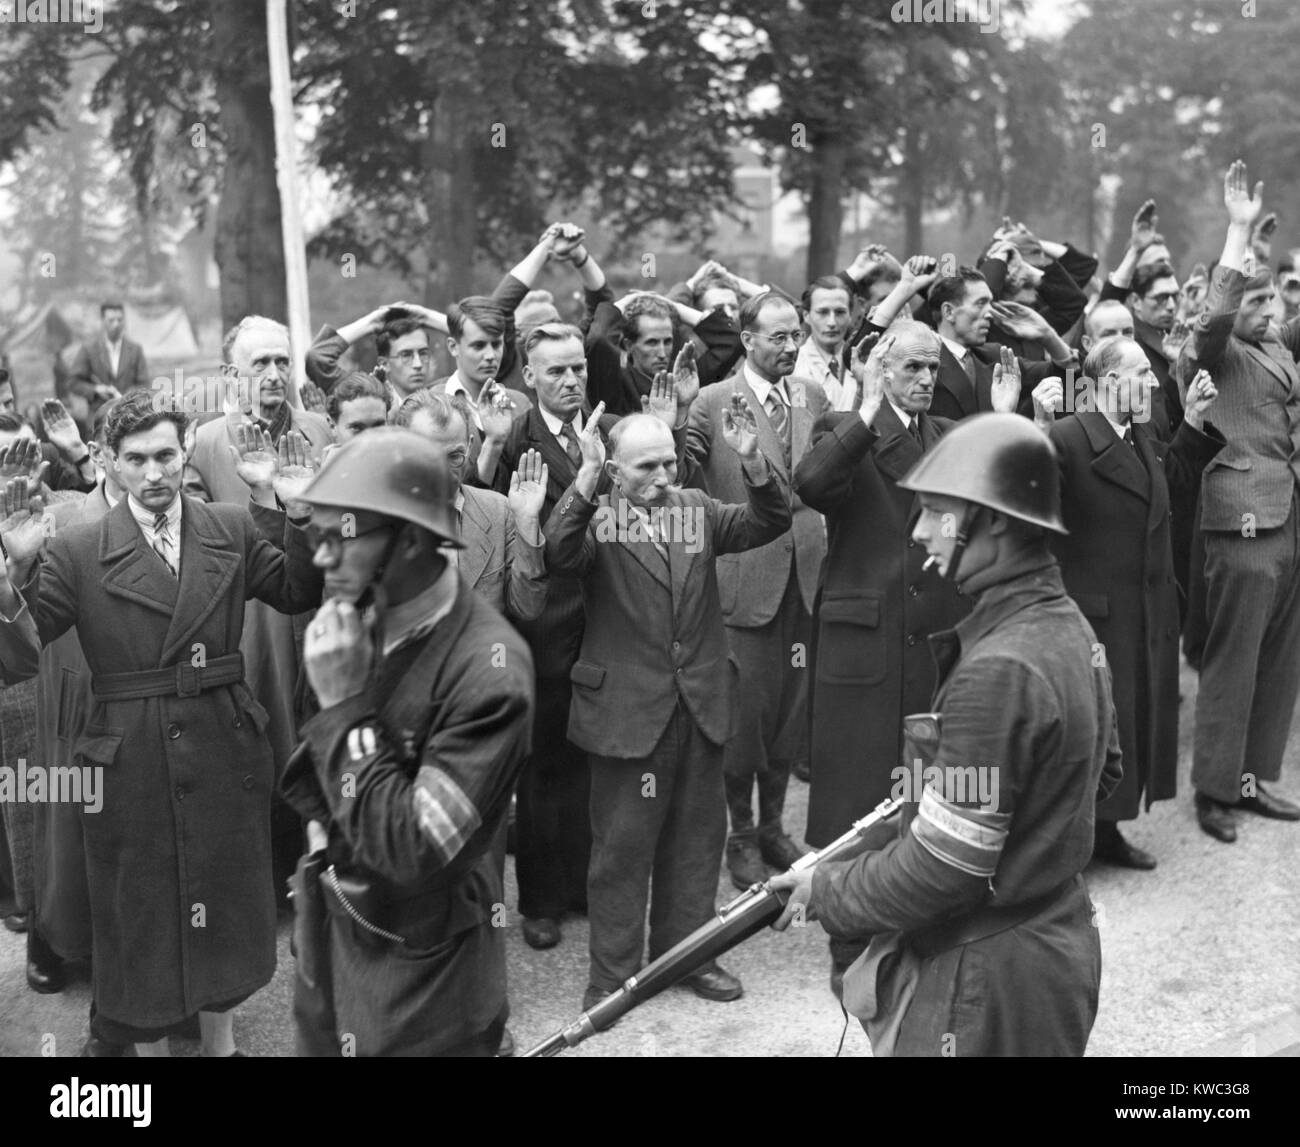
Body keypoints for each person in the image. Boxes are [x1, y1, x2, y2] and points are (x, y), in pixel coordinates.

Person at [773, 413, 1122, 1057]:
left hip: (986, 981)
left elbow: (945, 868)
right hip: (1049, 950)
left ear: (991, 521)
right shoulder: (1066, 625)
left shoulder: (999, 667)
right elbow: (1104, 772)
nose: (920, 529)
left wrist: (827, 890)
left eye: (936, 512)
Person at [0, 389, 322, 1058]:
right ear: (110, 464)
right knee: (142, 912)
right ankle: (148, 1049)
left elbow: (297, 590)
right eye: (137, 459)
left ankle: (221, 1043)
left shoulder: (230, 525)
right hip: (130, 760)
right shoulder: (80, 548)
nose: (155, 474)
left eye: (167, 456)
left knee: (223, 900)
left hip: (223, 741)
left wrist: (293, 509)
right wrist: (20, 568)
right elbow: (24, 650)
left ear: (185, 455)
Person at [282, 428, 534, 1056]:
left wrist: (344, 709)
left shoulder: (492, 670)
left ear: (414, 539)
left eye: (340, 538)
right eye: (317, 536)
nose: (321, 558)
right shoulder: (353, 617)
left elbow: (413, 849)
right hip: (338, 932)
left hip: (426, 976)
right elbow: (314, 777)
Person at [792, 323, 1019, 991]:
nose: (926, 378)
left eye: (932, 367)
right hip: (865, 644)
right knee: (857, 794)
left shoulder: (947, 429)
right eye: (912, 367)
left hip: (934, 640)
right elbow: (813, 484)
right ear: (880, 369)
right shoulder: (845, 425)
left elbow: (992, 507)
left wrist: (1001, 423)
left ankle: (914, 920)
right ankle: (849, 935)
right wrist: (863, 408)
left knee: (923, 789)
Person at [546, 405, 792, 1010]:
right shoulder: (599, 518)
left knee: (698, 841)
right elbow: (557, 553)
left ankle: (688, 958)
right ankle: (613, 979)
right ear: (613, 470)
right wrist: (585, 477)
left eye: (669, 462)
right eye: (645, 467)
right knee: (623, 849)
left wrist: (753, 460)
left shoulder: (696, 509)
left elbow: (770, 521)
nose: (663, 476)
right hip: (629, 713)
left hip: (700, 704)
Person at [1034, 337, 1223, 869]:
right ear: (1108, 383)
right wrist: (1038, 429)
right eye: (1142, 372)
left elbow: (1172, 489)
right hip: (1095, 617)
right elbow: (1035, 511)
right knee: (1092, 732)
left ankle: (1109, 830)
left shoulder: (1141, 430)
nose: (1153, 382)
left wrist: (1193, 420)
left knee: (1131, 723)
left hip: (1145, 610)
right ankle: (1068, 850)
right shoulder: (1068, 437)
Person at [680, 291, 827, 888]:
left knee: (790, 715)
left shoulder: (814, 396)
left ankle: (772, 827)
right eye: (778, 337)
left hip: (807, 580)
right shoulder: (711, 402)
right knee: (744, 718)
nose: (791, 346)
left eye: (796, 335)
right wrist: (676, 416)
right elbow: (684, 478)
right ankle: (738, 833)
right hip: (745, 583)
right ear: (747, 340)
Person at [1179, 161, 1300, 841]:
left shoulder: (1279, 348)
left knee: (1280, 660)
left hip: (1288, 522)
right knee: (1234, 657)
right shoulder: (1216, 351)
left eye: (1270, 303)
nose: (1264, 313)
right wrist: (1238, 228)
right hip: (1242, 523)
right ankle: (1214, 791)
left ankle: (1252, 780)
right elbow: (1219, 309)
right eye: (1252, 304)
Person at [393, 390, 548, 622]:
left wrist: (527, 523)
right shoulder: (373, 518)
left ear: (470, 446)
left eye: (454, 456)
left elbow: (528, 607)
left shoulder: (498, 511)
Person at [69, 302, 151, 419]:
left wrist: (127, 395)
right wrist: (96, 389)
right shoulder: (89, 349)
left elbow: (144, 383)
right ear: (103, 321)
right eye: (111, 320)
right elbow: (73, 382)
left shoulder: (135, 350)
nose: (116, 324)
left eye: (120, 320)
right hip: (98, 417)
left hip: (128, 417)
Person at [794, 276, 855, 410]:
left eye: (840, 312)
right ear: (806, 316)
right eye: (822, 312)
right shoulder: (795, 367)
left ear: (850, 316)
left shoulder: (864, 361)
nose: (832, 323)